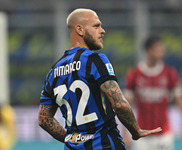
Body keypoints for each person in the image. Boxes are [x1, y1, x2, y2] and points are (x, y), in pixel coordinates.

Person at [38, 8, 162, 150]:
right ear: (80, 30)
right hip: (105, 145)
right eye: (96, 26)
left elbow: (44, 120)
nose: (102, 30)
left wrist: (74, 139)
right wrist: (136, 131)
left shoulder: (53, 72)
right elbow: (119, 104)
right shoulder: (95, 60)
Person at [123, 35, 182, 150]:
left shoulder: (169, 73)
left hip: (164, 134)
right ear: (148, 51)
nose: (161, 53)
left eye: (162, 49)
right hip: (141, 135)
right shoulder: (134, 74)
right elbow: (126, 106)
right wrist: (125, 133)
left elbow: (181, 101)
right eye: (158, 49)